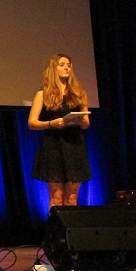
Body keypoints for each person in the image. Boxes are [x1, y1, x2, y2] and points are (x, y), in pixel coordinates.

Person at [28, 53, 91, 208]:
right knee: (56, 198)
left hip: (74, 145)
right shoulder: (43, 94)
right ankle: (55, 224)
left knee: (72, 198)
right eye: (62, 65)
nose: (66, 68)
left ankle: (72, 224)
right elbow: (32, 123)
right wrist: (52, 123)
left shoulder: (79, 93)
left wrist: (81, 120)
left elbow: (86, 124)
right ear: (53, 68)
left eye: (68, 65)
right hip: (53, 145)